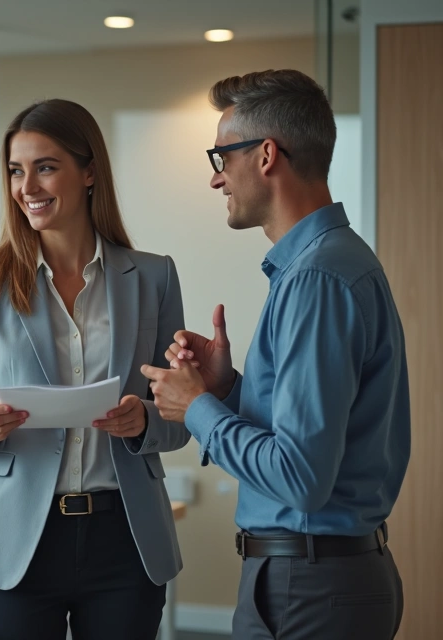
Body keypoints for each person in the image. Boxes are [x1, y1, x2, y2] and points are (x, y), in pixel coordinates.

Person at [141, 69, 408, 640]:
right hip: (313, 578)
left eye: (221, 158)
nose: (217, 181)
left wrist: (197, 411)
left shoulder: (318, 279)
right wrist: (225, 390)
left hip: (310, 585)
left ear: (266, 155)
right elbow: (310, 437)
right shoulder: (323, 267)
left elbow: (301, 477)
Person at [0, 99, 191, 640]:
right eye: (15, 170)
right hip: (15, 537)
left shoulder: (153, 277)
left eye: (46, 166)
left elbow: (181, 416)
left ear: (90, 171)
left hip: (124, 536)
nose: (27, 185)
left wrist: (146, 420)